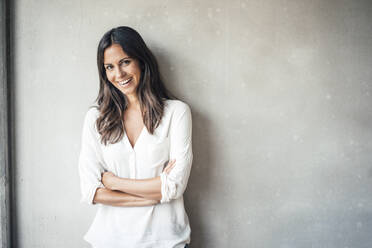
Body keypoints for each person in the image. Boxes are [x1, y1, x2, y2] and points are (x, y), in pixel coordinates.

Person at [78, 26, 193, 248]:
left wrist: (113, 182)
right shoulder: (95, 119)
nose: (118, 74)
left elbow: (174, 186)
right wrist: (154, 194)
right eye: (109, 67)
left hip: (166, 241)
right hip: (109, 240)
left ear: (141, 61)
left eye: (125, 62)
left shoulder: (176, 113)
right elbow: (91, 191)